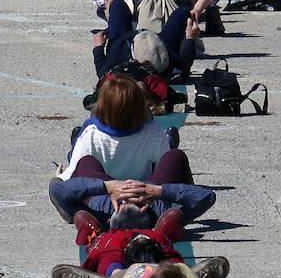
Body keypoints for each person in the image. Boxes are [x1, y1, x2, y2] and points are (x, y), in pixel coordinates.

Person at [48, 75, 215, 245]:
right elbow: (205, 195)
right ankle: (166, 222)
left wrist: (105, 186)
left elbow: (59, 188)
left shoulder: (92, 133)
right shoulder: (153, 130)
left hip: (108, 195)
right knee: (176, 156)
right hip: (146, 192)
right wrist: (156, 191)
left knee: (85, 162)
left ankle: (84, 217)